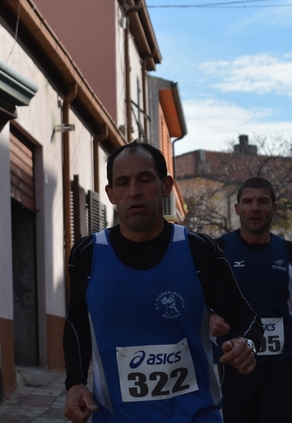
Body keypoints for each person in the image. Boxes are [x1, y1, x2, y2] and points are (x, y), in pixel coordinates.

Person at [63, 141, 264, 423]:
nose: (134, 191)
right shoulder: (86, 255)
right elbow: (76, 325)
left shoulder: (198, 250)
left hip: (195, 416)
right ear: (111, 193)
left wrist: (246, 342)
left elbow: (246, 316)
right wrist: (75, 383)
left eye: (145, 179)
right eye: (123, 182)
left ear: (166, 185)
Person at [210, 177, 292, 423]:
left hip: (282, 363)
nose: (254, 208)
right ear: (237, 209)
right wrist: (209, 317)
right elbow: (200, 298)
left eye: (262, 201)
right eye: (247, 201)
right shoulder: (219, 249)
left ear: (274, 208)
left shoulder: (289, 251)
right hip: (235, 363)